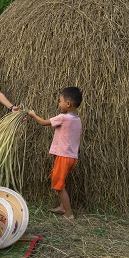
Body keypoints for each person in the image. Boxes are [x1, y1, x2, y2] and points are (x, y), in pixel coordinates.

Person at [27, 87, 83, 220]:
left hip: (64, 157)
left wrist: (32, 114)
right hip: (71, 157)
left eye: (60, 101)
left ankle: (69, 214)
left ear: (68, 104)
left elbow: (42, 122)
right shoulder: (77, 119)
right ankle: (63, 206)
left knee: (58, 185)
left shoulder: (63, 118)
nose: (59, 104)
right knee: (60, 180)